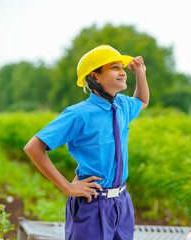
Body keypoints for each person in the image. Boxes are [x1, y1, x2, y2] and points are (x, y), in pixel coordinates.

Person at [24, 45, 149, 240]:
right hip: (92, 203)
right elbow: (33, 147)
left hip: (122, 203)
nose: (122, 72)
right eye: (114, 67)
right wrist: (67, 187)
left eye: (122, 68)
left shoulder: (122, 105)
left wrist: (140, 75)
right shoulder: (79, 114)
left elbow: (142, 101)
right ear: (95, 76)